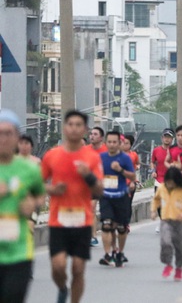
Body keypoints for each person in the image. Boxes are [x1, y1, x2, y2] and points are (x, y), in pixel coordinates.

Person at [41, 110, 104, 303]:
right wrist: (52, 189)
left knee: (78, 267)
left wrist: (88, 175)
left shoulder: (91, 157)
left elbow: (100, 190)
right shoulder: (52, 155)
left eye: (79, 125)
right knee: (58, 267)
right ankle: (62, 287)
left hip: (82, 220)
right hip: (58, 220)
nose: (74, 128)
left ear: (84, 129)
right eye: (71, 124)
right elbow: (37, 184)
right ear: (65, 127)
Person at [0, 110, 45, 303]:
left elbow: (40, 197)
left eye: (8, 133)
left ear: (17, 137)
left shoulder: (30, 169)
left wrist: (31, 204)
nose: (3, 139)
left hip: (19, 252)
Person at [98, 131, 136, 268]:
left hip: (121, 196)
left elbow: (132, 176)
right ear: (105, 143)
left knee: (120, 227)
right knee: (106, 225)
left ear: (119, 144)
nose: (112, 145)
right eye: (109, 142)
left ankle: (120, 252)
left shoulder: (125, 158)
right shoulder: (100, 157)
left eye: (115, 142)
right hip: (106, 196)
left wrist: (120, 170)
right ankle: (108, 254)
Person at [151, 167, 182, 281]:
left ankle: (179, 268)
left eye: (172, 182)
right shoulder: (161, 188)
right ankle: (168, 264)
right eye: (168, 182)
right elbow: (156, 199)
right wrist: (153, 211)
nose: (170, 184)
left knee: (180, 246)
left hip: (180, 223)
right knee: (165, 242)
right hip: (166, 220)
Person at [151, 128, 174, 233]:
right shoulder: (156, 150)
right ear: (162, 138)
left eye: (169, 137)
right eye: (165, 137)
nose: (167, 139)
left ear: (172, 139)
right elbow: (153, 162)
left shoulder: (175, 151)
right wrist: (153, 171)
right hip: (159, 179)